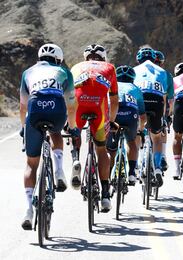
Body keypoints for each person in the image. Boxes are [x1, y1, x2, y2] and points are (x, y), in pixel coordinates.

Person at [19, 43, 78, 229]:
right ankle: (59, 170)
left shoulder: (27, 72)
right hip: (56, 107)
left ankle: (28, 210)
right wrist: (73, 127)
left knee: (31, 163)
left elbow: (23, 106)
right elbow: (71, 104)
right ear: (58, 59)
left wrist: (23, 127)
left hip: (35, 109)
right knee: (55, 132)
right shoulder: (64, 71)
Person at [71, 44, 119, 212]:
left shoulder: (76, 67)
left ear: (86, 58)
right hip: (98, 108)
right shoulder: (110, 68)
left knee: (74, 134)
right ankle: (105, 195)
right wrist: (111, 121)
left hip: (78, 107)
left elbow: (68, 94)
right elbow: (114, 100)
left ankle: (75, 158)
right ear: (103, 58)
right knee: (101, 149)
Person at [133, 47, 172, 187]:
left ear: (138, 59)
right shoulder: (163, 72)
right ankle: (156, 167)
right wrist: (164, 116)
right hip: (156, 102)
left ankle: (135, 165)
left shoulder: (134, 70)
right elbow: (165, 97)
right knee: (156, 138)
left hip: (140, 100)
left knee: (136, 133)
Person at [106, 65, 146, 186]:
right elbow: (143, 116)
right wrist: (141, 130)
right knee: (131, 143)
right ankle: (132, 173)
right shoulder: (136, 89)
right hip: (130, 113)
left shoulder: (110, 86)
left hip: (114, 111)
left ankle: (109, 175)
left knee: (110, 148)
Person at [154, 50, 174, 171]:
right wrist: (169, 115)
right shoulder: (166, 74)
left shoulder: (142, 72)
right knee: (162, 128)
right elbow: (171, 99)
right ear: (161, 63)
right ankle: (162, 155)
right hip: (161, 105)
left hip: (143, 104)